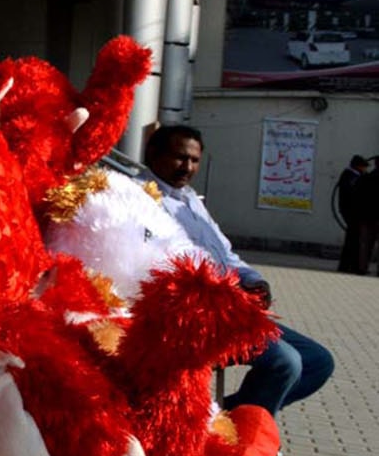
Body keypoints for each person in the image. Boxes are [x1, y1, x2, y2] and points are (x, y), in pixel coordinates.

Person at [141, 125, 334, 416]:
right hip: (193, 316)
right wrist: (222, 291)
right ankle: (239, 436)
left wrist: (254, 280)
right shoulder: (140, 198)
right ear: (153, 154)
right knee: (285, 361)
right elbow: (161, 266)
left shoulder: (189, 199)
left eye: (194, 160)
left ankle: (227, 418)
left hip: (232, 308)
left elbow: (226, 254)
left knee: (318, 361)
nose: (188, 167)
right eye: (180, 158)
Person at [337, 154, 372, 274]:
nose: (365, 169)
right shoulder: (350, 176)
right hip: (351, 212)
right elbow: (354, 191)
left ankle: (348, 266)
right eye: (364, 167)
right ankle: (349, 266)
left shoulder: (353, 175)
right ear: (358, 166)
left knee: (352, 239)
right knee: (353, 240)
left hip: (352, 212)